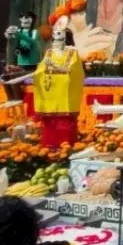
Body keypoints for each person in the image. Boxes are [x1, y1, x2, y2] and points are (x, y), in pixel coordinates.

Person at [7, 19, 84, 149]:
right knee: (49, 133)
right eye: (54, 40)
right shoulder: (49, 53)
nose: (55, 43)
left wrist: (53, 67)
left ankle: (65, 152)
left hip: (65, 102)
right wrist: (21, 73)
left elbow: (70, 70)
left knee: (65, 133)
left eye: (59, 40)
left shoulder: (72, 53)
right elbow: (41, 70)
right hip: (50, 100)